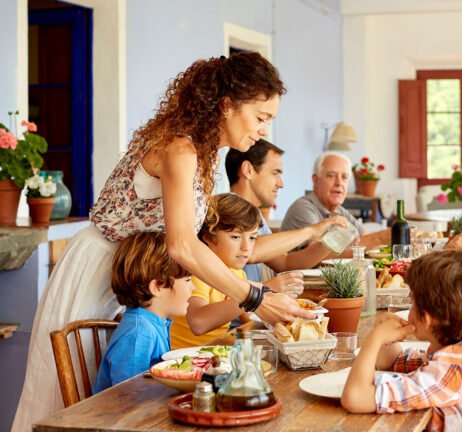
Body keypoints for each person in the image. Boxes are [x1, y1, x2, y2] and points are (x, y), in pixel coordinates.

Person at [13, 52, 315, 431]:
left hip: (130, 272)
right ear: (226, 106)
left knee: (105, 390)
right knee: (67, 401)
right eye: (261, 117)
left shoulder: (201, 154)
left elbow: (193, 246)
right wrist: (253, 297)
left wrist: (256, 289)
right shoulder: (180, 149)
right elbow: (182, 246)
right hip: (94, 271)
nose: (265, 130)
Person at [341, 249, 462, 431]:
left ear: (426, 319)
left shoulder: (451, 373)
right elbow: (392, 362)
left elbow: (355, 398)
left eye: (412, 301)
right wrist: (381, 332)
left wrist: (372, 340)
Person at [225, 140, 341, 285]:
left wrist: (330, 242)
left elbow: (286, 263)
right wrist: (311, 231)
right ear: (248, 170)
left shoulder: (254, 214)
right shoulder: (228, 209)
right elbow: (251, 252)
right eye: (275, 173)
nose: (281, 183)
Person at [93, 232, 194, 393]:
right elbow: (131, 396)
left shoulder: (153, 324)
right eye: (188, 281)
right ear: (157, 287)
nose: (193, 288)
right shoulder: (139, 334)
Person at [170, 194, 263, 349]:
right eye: (235, 237)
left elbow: (251, 319)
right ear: (208, 237)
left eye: (252, 238)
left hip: (212, 355)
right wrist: (255, 295)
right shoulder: (197, 271)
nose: (246, 247)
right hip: (180, 359)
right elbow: (198, 322)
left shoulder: (237, 273)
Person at [281, 152, 390, 252]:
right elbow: (317, 254)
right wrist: (379, 238)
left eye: (344, 177)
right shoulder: (303, 208)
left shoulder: (339, 211)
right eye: (331, 176)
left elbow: (365, 237)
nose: (339, 183)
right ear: (315, 180)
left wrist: (382, 239)